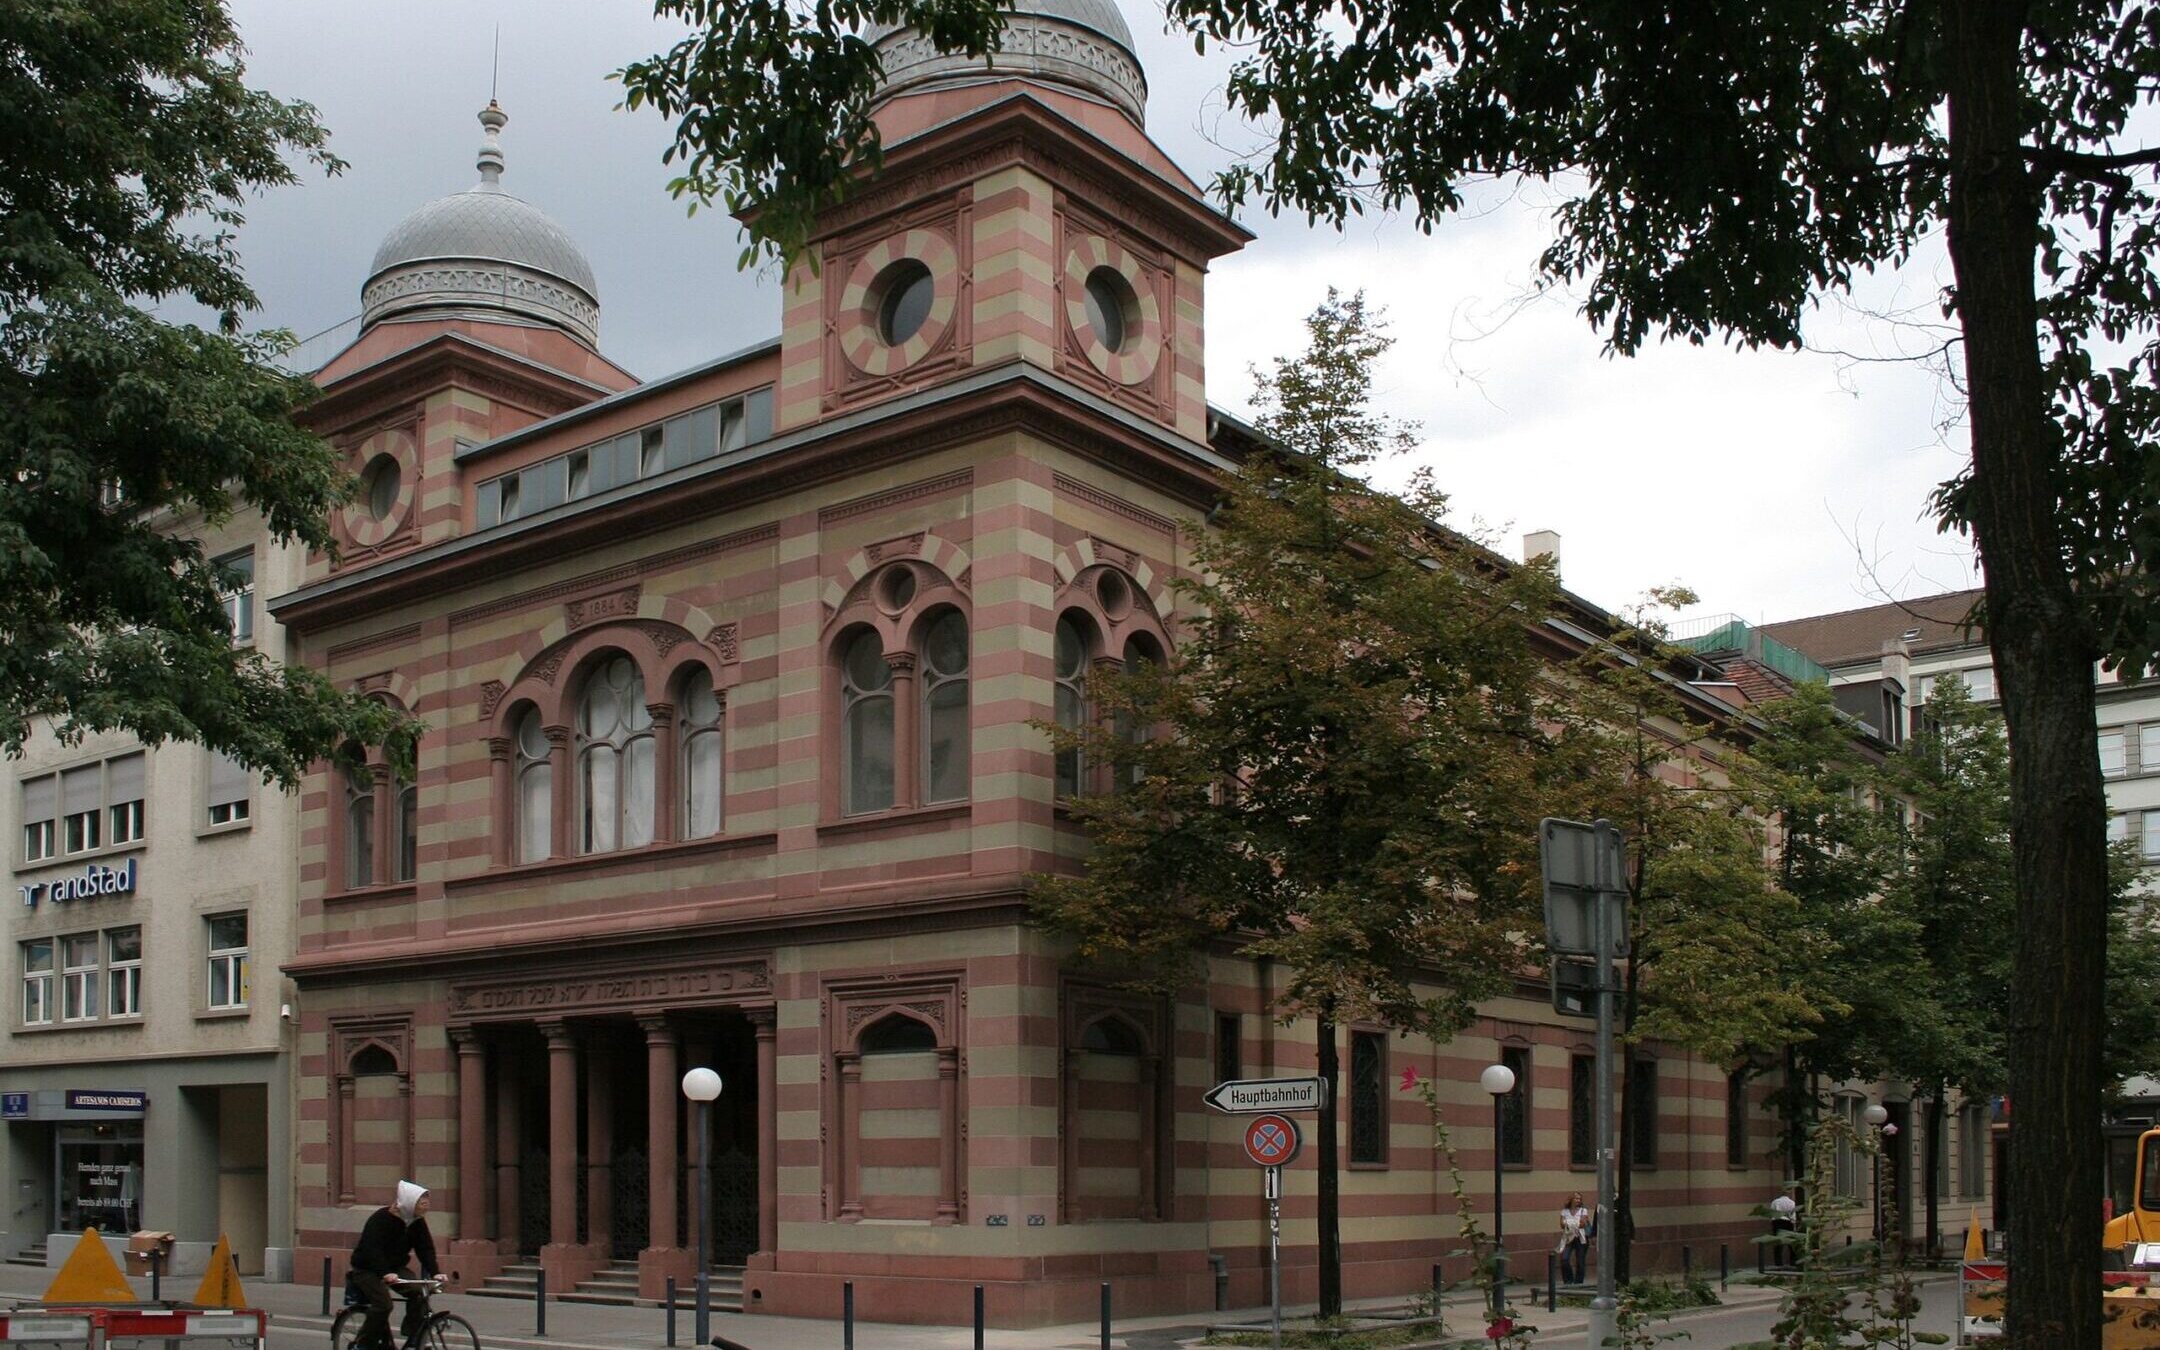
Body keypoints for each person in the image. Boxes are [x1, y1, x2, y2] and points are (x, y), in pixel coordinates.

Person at [349, 1181, 439, 1350]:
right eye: (422, 1201)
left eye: (427, 1201)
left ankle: (413, 1334)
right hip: (367, 1269)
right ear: (410, 1202)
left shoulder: (416, 1221)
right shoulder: (381, 1219)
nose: (426, 1205)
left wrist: (436, 1272)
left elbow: (425, 1248)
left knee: (419, 1292)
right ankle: (363, 1344)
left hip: (395, 1267)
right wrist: (385, 1273)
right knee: (383, 1305)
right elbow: (372, 1249)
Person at [1557, 1191, 1592, 1285]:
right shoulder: (1564, 1211)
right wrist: (1575, 1223)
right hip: (1568, 1238)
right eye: (1576, 1198)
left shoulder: (1583, 1210)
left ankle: (1578, 1282)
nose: (1578, 1200)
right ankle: (1568, 1280)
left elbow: (1583, 1224)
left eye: (1579, 1199)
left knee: (1580, 1261)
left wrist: (1568, 1223)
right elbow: (1561, 1225)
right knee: (1564, 1259)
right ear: (1571, 1199)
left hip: (1580, 1237)